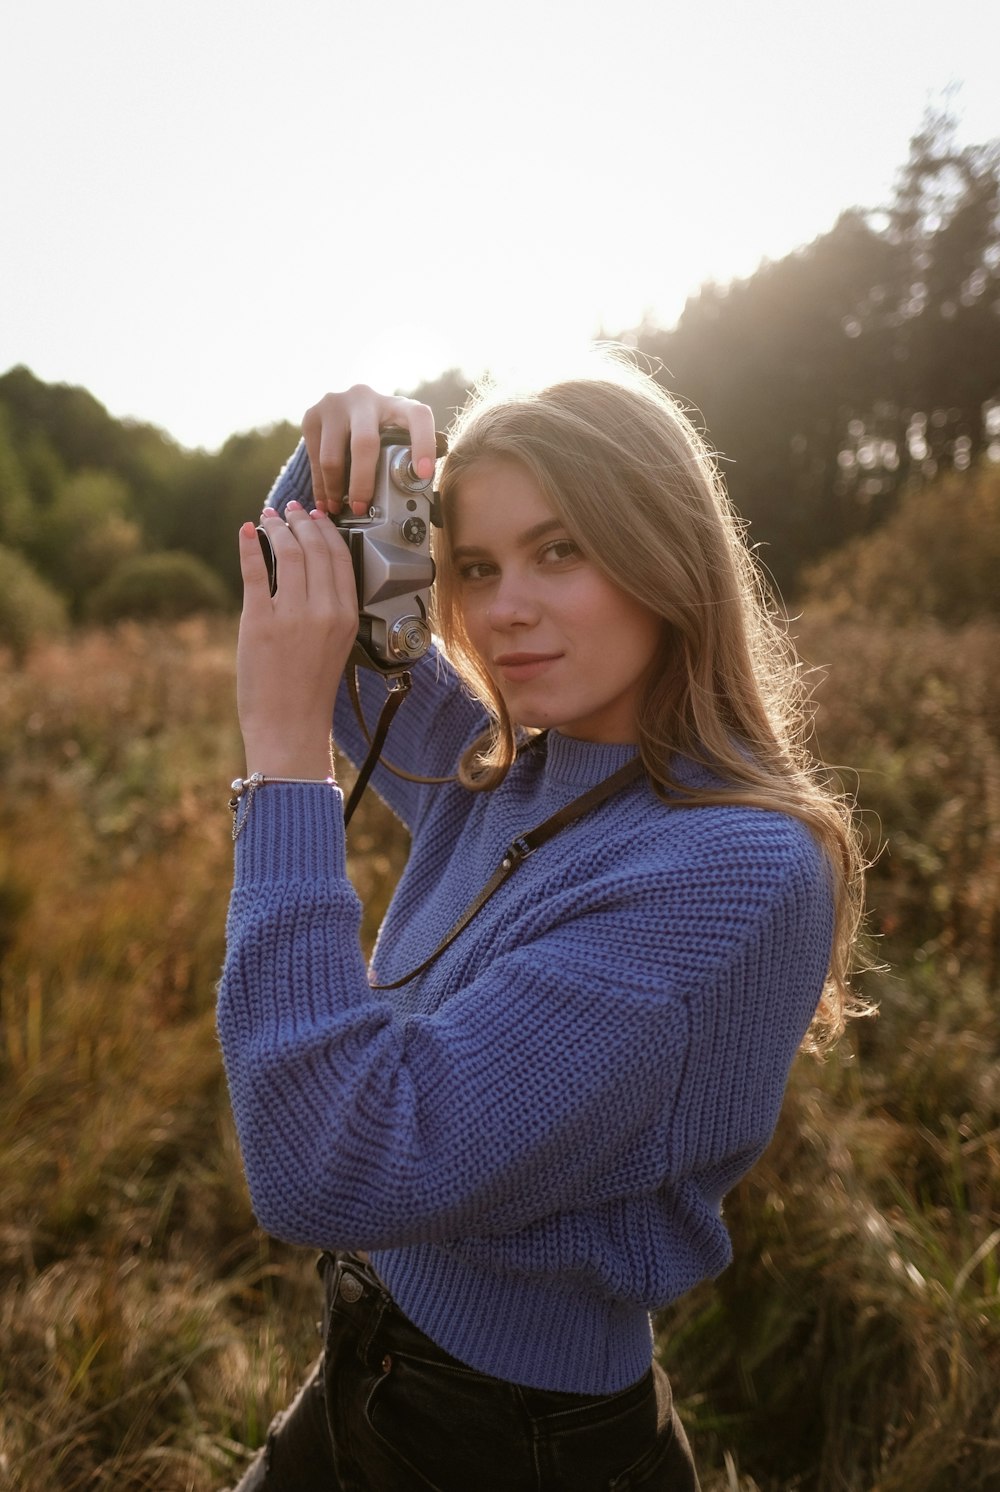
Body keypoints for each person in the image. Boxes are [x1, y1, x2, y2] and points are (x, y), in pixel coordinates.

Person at [217, 358, 865, 1491]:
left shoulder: (732, 871)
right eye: (474, 564)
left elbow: (329, 1160)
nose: (503, 606)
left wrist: (281, 768)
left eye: (560, 550)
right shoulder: (518, 759)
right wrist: (349, 459)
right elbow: (332, 629)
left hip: (511, 1442)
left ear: (668, 554)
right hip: (370, 1366)